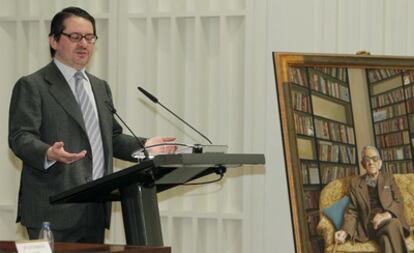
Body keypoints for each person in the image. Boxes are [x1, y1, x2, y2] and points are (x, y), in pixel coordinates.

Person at [8, 6, 176, 243]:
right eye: (75, 37)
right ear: (54, 41)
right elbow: (20, 137)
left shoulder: (99, 87)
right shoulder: (33, 85)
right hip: (53, 208)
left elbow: (112, 138)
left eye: (90, 37)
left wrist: (146, 147)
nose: (84, 44)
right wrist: (48, 152)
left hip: (95, 207)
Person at [334, 145, 409, 253]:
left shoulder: (388, 178)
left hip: (387, 223)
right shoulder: (355, 184)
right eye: (367, 159)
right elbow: (352, 211)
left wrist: (386, 215)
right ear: (363, 164)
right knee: (395, 223)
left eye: (375, 159)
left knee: (386, 241)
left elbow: (399, 201)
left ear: (380, 163)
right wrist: (345, 231)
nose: (371, 162)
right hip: (369, 227)